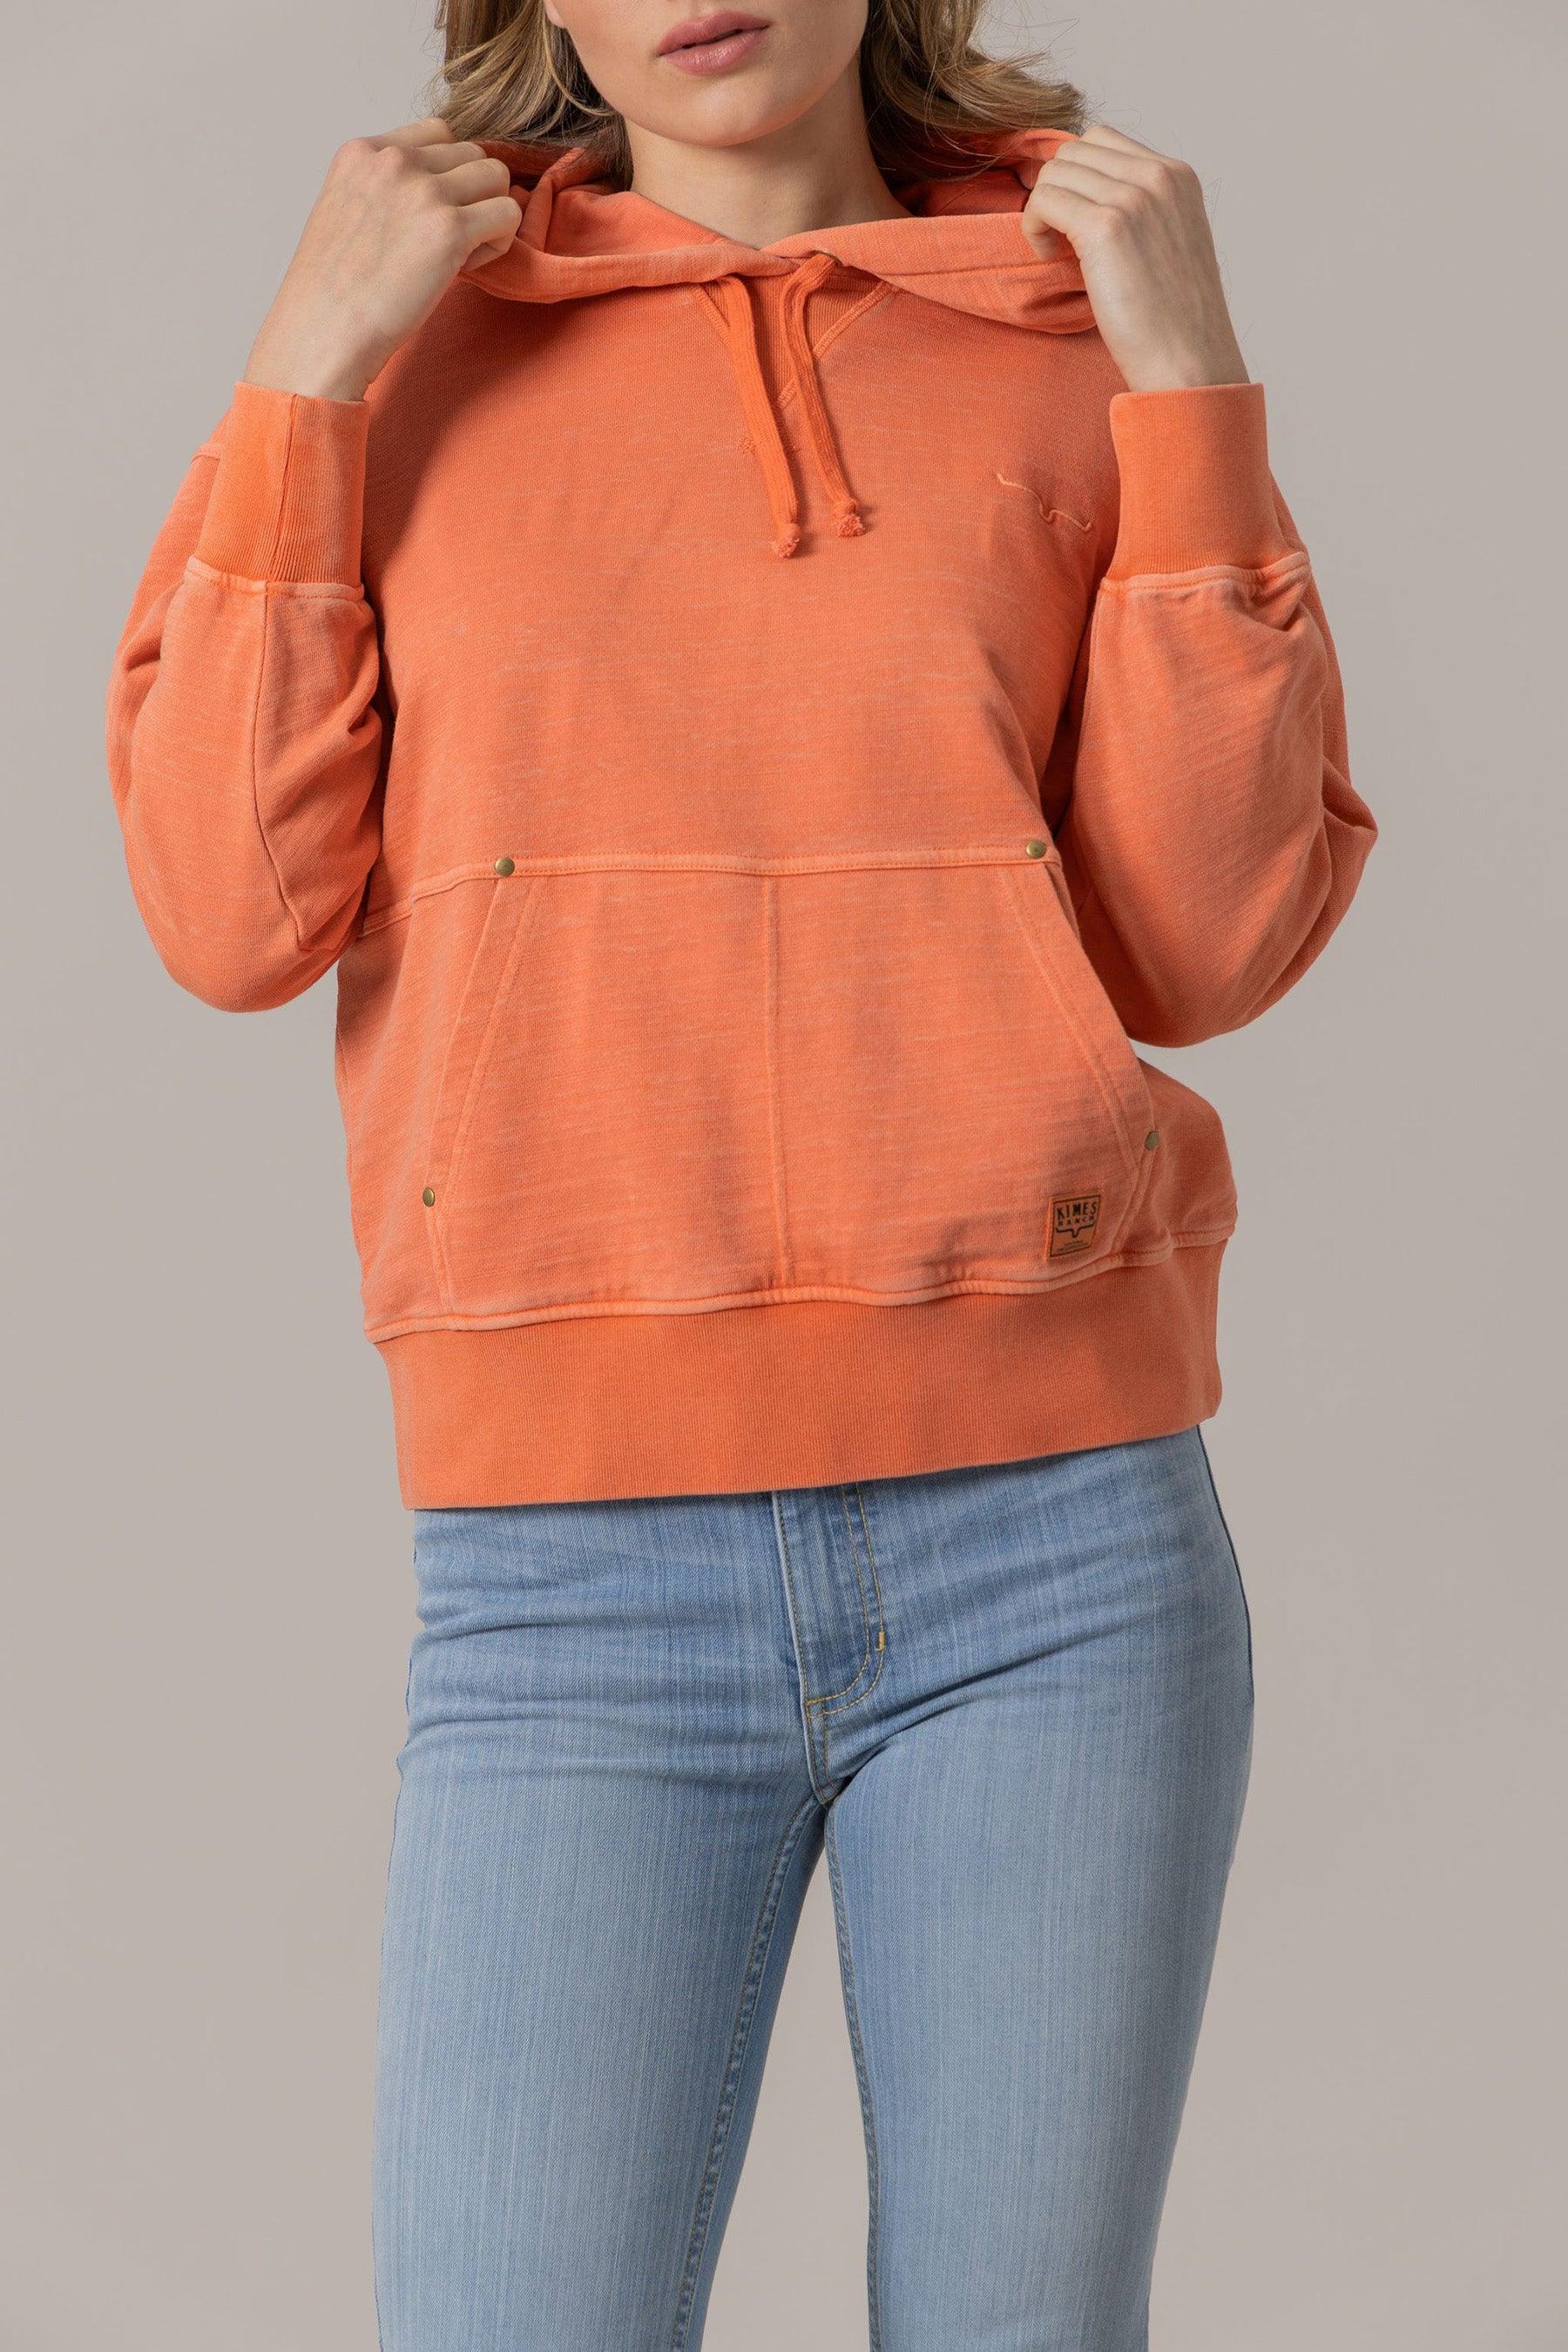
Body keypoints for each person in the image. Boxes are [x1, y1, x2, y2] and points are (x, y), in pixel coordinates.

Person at [105, 2, 1377, 2343]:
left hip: (1061, 1552)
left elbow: (1205, 942)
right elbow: (224, 910)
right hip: (568, 1586)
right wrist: (305, 372)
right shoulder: (408, 356)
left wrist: (1191, 395)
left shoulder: (1068, 337)